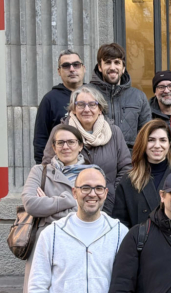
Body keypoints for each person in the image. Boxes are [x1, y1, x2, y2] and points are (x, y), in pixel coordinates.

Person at [20, 123, 90, 293]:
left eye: (71, 142)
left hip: (78, 246)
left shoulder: (91, 173)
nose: (65, 147)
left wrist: (51, 202)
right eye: (59, 143)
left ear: (81, 146)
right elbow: (31, 203)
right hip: (43, 247)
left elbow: (93, 205)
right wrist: (68, 200)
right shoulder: (39, 171)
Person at [54, 85, 132, 216]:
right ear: (73, 109)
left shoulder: (114, 133)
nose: (86, 109)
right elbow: (50, 167)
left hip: (108, 205)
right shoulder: (60, 132)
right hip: (68, 209)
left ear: (100, 109)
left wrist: (111, 193)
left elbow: (126, 167)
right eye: (80, 104)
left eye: (92, 104)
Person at [113, 120, 171, 229]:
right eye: (151, 140)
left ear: (169, 144)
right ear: (143, 143)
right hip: (138, 244)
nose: (157, 145)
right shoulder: (128, 180)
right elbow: (121, 224)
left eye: (162, 140)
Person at [90, 42, 151, 149]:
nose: (112, 67)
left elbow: (146, 134)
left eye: (117, 62)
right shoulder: (87, 94)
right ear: (100, 67)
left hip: (131, 159)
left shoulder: (139, 97)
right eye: (108, 62)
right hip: (97, 157)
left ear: (123, 68)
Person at [33, 50, 85, 161]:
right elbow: (40, 139)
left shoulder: (94, 95)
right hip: (60, 168)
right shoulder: (50, 99)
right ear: (59, 71)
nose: (72, 69)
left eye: (76, 65)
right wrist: (43, 168)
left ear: (83, 68)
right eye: (66, 66)